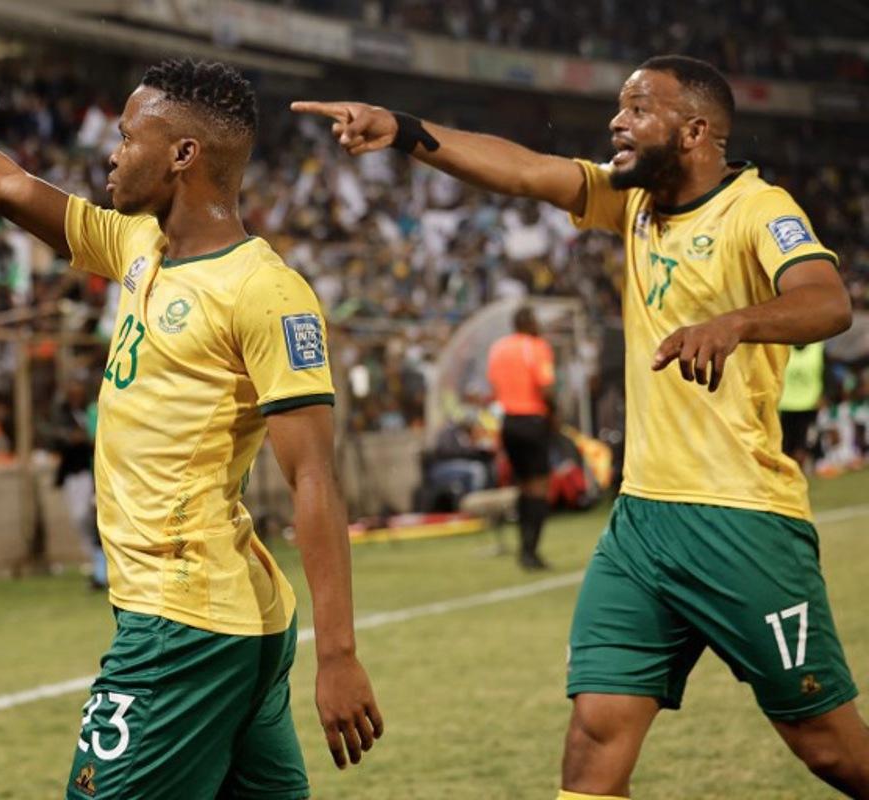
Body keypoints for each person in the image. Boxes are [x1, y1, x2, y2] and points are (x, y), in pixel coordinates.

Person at [0, 54, 382, 798]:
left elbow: (313, 475)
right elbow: (0, 183)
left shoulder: (265, 292)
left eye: (128, 137)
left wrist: (338, 652)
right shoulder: (137, 247)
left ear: (184, 155)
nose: (112, 153)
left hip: (183, 623)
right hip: (230, 620)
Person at [295, 54, 869, 798]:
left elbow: (828, 302)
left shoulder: (759, 209)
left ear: (695, 130)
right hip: (641, 527)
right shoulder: (630, 201)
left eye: (637, 110)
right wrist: (404, 130)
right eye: (619, 108)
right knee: (594, 738)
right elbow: (526, 171)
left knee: (830, 752)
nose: (615, 123)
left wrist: (734, 323)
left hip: (742, 522)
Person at [486, 306, 556, 569]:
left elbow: (493, 384)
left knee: (523, 485)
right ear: (529, 322)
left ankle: (524, 549)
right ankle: (530, 551)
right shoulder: (536, 347)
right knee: (540, 486)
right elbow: (546, 386)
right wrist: (555, 414)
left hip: (509, 423)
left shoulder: (499, 348)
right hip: (532, 419)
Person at [44, 373, 106, 590]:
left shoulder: (92, 409)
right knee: (81, 517)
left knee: (96, 516)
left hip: (96, 471)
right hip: (77, 472)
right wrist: (71, 437)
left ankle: (101, 569)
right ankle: (97, 563)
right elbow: (55, 436)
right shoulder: (62, 414)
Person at [779, 341, 825, 470]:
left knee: (803, 445)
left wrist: (824, 395)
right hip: (786, 405)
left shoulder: (817, 349)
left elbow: (826, 373)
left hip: (809, 405)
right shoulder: (783, 348)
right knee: (786, 445)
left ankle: (799, 474)